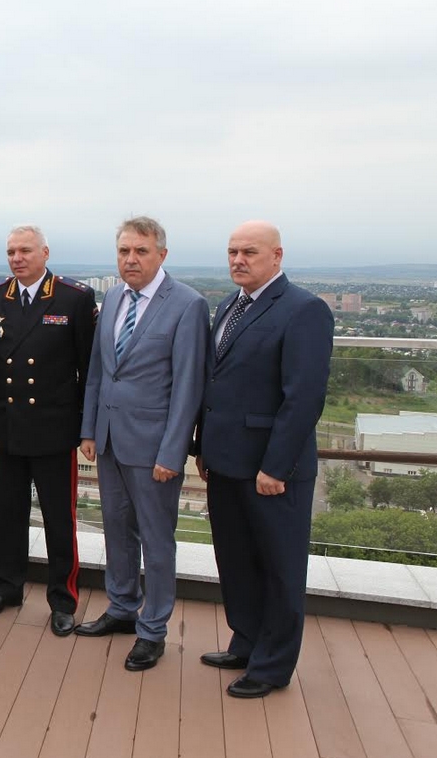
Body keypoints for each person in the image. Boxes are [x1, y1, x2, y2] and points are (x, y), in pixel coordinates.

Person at [196, 221, 333, 699]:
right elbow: (216, 385)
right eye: (232, 251)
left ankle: (272, 666)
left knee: (279, 569)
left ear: (277, 255)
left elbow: (304, 398)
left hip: (272, 470)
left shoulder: (304, 310)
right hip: (224, 462)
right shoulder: (227, 305)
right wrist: (203, 447)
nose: (238, 260)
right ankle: (247, 643)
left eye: (249, 252)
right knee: (236, 562)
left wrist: (276, 466)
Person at [77, 216, 209, 671]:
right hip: (110, 441)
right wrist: (89, 429)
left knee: (156, 541)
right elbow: (99, 370)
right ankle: (121, 608)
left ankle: (152, 629)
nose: (130, 259)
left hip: (154, 450)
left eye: (141, 251)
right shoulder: (114, 297)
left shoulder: (188, 305)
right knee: (116, 530)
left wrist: (173, 452)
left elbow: (189, 387)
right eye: (124, 251)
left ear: (162, 255)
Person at [0, 225, 96, 636]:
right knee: (6, 515)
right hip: (8, 427)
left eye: (25, 250)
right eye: (11, 252)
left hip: (54, 429)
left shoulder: (73, 297)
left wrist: (86, 428)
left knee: (59, 520)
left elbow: (88, 370)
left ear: (45, 252)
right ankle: (5, 588)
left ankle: (63, 600)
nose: (17, 258)